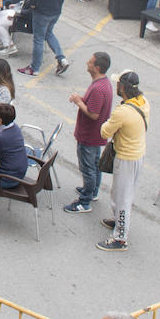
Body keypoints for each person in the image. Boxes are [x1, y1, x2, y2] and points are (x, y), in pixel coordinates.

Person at [97, 72, 150, 251]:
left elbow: (105, 132)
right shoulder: (143, 102)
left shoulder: (123, 111)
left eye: (118, 83)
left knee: (122, 197)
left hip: (126, 157)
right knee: (119, 193)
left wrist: (108, 122)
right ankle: (119, 221)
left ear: (123, 87)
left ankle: (120, 237)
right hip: (138, 154)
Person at [63, 52, 114, 214]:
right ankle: (93, 191)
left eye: (90, 62)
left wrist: (79, 102)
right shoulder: (103, 83)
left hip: (89, 135)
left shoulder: (98, 88)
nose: (87, 63)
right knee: (95, 165)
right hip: (96, 135)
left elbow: (93, 114)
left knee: (88, 168)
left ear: (97, 67)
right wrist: (82, 99)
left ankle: (85, 200)